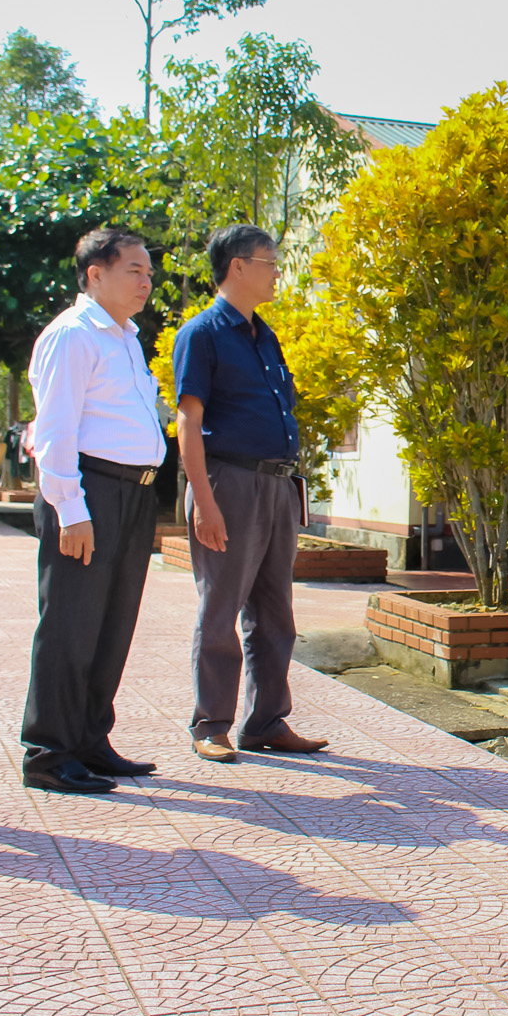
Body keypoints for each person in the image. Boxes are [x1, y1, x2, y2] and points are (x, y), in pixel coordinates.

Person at [18, 228, 168, 795]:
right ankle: (49, 752)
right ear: (95, 274)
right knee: (71, 624)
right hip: (90, 491)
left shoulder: (125, 337)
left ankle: (88, 738)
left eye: (148, 273)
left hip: (132, 494)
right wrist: (70, 509)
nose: (146, 282)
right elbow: (54, 430)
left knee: (112, 623)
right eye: (134, 270)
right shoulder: (73, 335)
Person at [172, 225, 326, 763]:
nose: (277, 272)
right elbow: (188, 422)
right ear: (237, 266)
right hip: (229, 483)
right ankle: (210, 724)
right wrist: (204, 501)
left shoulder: (266, 335)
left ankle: (266, 722)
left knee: (274, 612)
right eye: (270, 262)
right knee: (220, 608)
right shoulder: (202, 334)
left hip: (276, 485)